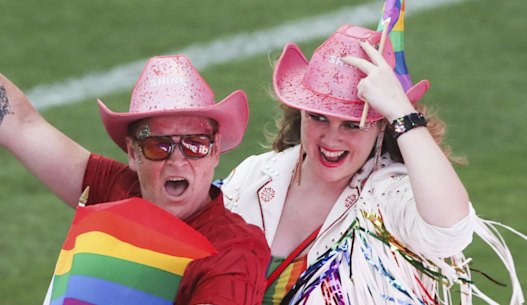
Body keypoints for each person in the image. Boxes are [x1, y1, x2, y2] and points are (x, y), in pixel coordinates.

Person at [220, 23, 526, 305]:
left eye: (353, 125)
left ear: (382, 126)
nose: (331, 138)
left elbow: (450, 231)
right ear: (300, 113)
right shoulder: (257, 173)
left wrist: (401, 112)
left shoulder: (388, 195)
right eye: (318, 117)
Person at [0, 55, 270, 304]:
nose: (178, 160)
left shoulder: (235, 250)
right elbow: (21, 125)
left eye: (195, 144)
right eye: (158, 146)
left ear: (215, 151)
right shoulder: (118, 191)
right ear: (133, 153)